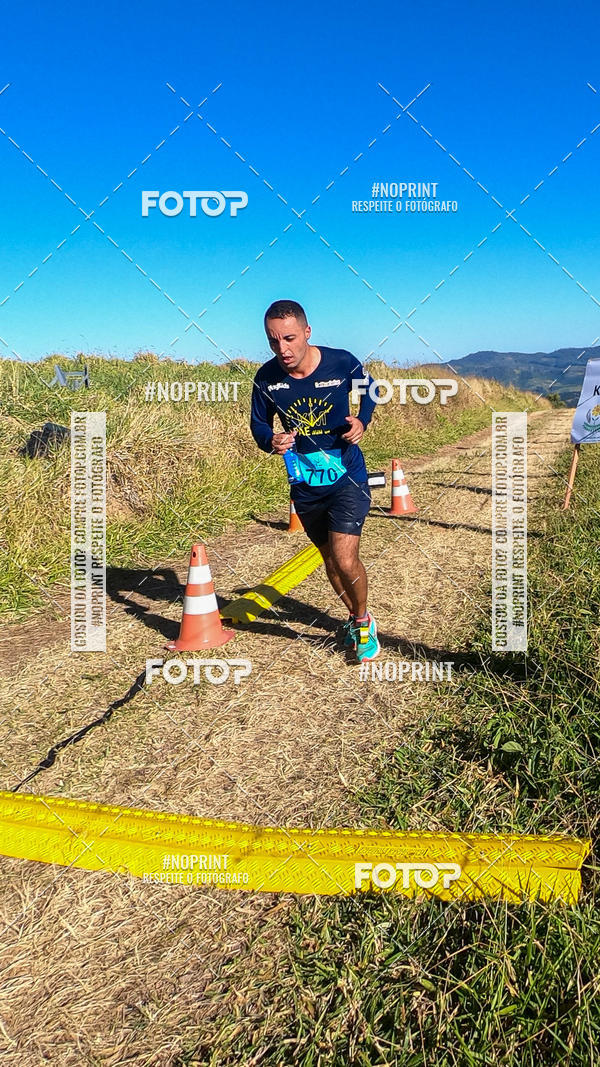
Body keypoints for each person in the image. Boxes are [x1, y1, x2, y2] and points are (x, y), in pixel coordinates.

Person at [250, 299, 380, 661]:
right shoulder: (266, 378)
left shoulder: (341, 362)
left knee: (344, 556)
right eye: (274, 341)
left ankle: (363, 619)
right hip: (305, 484)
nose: (283, 349)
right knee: (329, 561)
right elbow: (259, 424)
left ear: (307, 332)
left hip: (347, 476)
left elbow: (371, 389)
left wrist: (362, 420)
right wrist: (270, 440)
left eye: (289, 338)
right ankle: (354, 618)